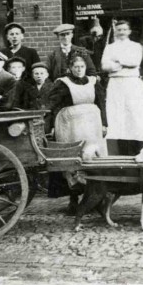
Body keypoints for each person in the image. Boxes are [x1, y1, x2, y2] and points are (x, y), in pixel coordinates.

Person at [48, 50, 107, 214]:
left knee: (92, 158)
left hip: (92, 125)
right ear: (70, 68)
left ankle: (94, 199)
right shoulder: (63, 83)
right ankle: (73, 201)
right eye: (76, 67)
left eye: (82, 66)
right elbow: (53, 103)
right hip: (71, 125)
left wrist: (105, 124)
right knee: (73, 160)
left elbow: (102, 103)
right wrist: (48, 121)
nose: (79, 69)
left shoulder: (94, 82)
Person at [101, 19, 143, 154]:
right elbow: (105, 65)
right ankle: (121, 151)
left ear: (129, 31)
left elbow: (134, 62)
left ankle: (138, 150)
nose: (121, 32)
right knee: (117, 116)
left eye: (124, 29)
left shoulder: (135, 46)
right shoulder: (110, 47)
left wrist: (117, 60)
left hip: (131, 83)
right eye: (119, 29)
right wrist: (120, 64)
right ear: (115, 31)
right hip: (115, 84)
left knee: (134, 115)